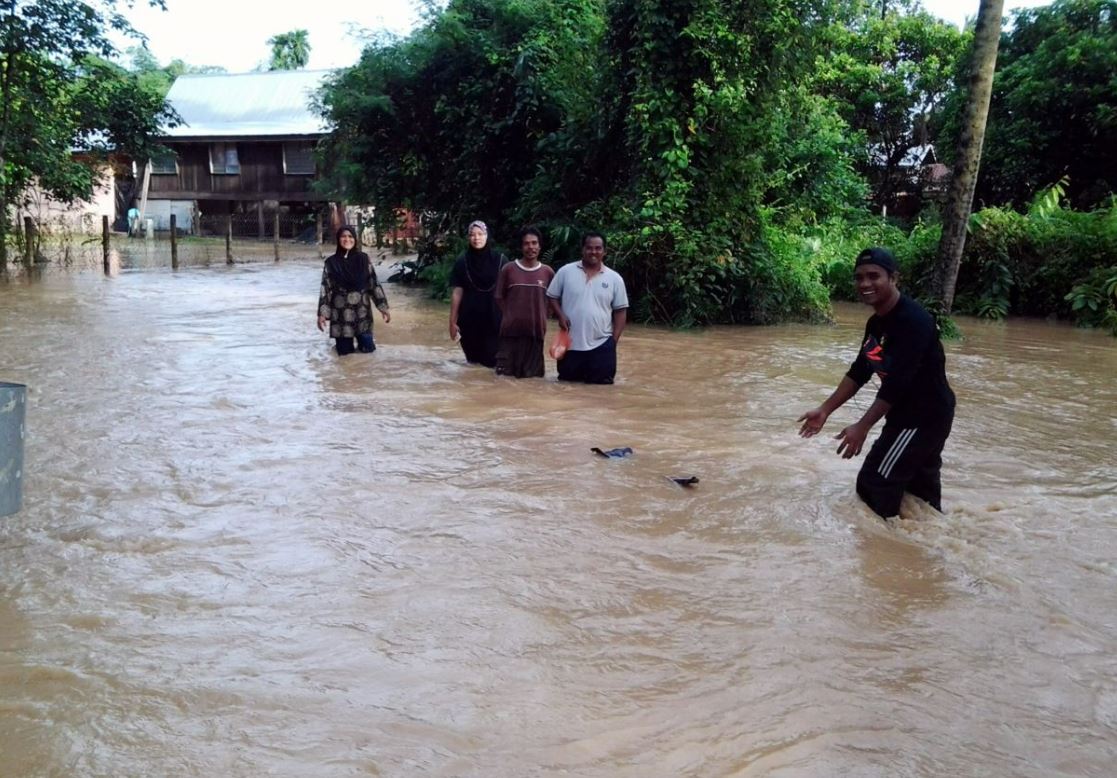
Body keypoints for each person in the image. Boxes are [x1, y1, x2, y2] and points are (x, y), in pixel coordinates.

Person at [797, 247, 956, 519]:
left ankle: (886, 550)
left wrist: (862, 426)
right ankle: (924, 548)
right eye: (859, 277)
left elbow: (897, 383)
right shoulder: (877, 324)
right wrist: (825, 410)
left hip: (921, 417)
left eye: (874, 276)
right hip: (909, 414)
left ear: (894, 278)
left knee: (875, 482)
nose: (865, 284)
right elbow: (861, 370)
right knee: (918, 492)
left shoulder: (913, 321)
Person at [546, 232, 629, 384]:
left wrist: (612, 341)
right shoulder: (566, 271)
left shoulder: (615, 278)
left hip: (602, 346)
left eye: (598, 248)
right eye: (589, 248)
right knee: (566, 389)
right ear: (582, 249)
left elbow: (620, 311)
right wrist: (560, 315)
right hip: (569, 346)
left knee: (602, 394)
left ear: (605, 251)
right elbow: (552, 296)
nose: (593, 252)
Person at [317, 225, 391, 356]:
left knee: (368, 351)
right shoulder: (331, 263)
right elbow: (325, 289)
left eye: (350, 236)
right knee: (345, 357)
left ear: (355, 239)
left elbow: (373, 284)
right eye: (343, 237)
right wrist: (322, 314)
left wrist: (383, 307)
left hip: (363, 314)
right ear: (338, 239)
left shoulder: (364, 259)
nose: (347, 240)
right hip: (340, 317)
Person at [494, 226, 555, 378]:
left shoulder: (548, 272)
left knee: (533, 382)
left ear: (540, 246)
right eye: (526, 243)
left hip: (536, 336)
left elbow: (553, 301)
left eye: (534, 243)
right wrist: (510, 315)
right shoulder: (508, 269)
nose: (531, 247)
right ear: (521, 246)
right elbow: (498, 297)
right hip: (509, 335)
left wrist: (542, 317)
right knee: (505, 379)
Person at [448, 221, 508, 367]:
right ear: (468, 238)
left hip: (494, 321)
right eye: (472, 235)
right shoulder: (462, 262)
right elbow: (457, 293)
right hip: (469, 323)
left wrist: (511, 319)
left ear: (487, 236)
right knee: (473, 366)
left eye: (480, 234)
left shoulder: (501, 260)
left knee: (493, 364)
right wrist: (452, 322)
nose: (476, 238)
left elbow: (510, 292)